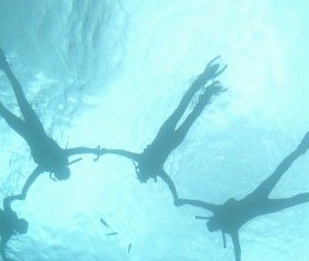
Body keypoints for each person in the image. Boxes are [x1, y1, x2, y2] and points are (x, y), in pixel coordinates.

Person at [176, 131, 309, 261]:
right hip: (260, 202)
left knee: (283, 183)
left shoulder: (225, 221)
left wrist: (184, 200)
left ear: (215, 224)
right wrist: (184, 200)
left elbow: (200, 205)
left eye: (213, 227)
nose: (216, 227)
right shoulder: (225, 221)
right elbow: (236, 247)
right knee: (280, 178)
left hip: (259, 203)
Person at [0, 43, 101, 198]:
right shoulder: (53, 162)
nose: (56, 175)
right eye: (58, 175)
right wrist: (24, 191)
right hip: (31, 129)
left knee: (17, 101)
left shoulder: (52, 163)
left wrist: (94, 151)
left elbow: (77, 151)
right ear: (60, 172)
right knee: (11, 107)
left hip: (30, 129)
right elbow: (76, 151)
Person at [94, 57, 226, 203]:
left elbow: (169, 183)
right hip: (166, 134)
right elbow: (123, 153)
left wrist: (176, 198)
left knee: (190, 116)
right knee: (182, 108)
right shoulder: (144, 161)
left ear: (147, 175)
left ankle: (206, 91)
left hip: (173, 140)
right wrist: (105, 151)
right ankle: (202, 81)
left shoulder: (155, 169)